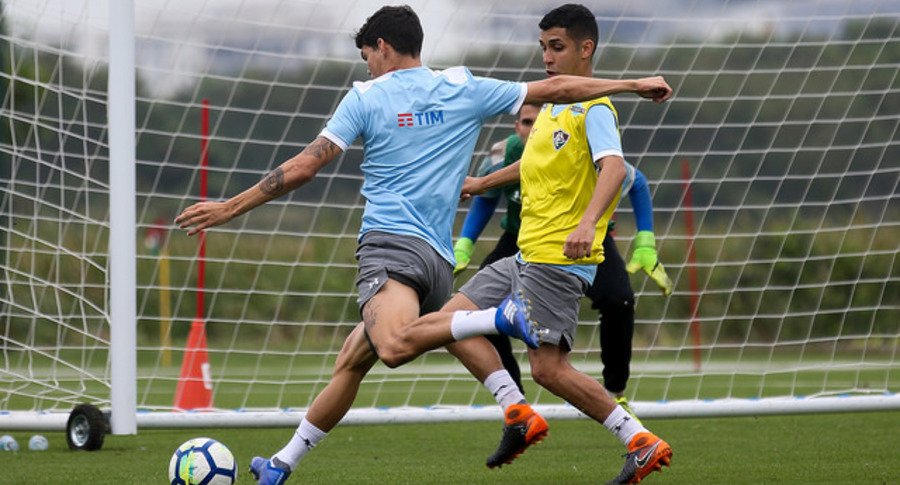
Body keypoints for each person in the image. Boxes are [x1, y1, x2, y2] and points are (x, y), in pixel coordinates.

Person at [174, 5, 672, 485]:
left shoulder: (366, 97)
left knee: (400, 347)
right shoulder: (462, 86)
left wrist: (228, 208)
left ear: (383, 47)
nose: (367, 67)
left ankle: (508, 325)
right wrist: (630, 85)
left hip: (401, 248)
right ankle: (284, 463)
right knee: (370, 351)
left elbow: (305, 166)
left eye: (367, 56)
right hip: (448, 257)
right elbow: (553, 102)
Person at [454, 4, 673, 483]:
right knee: (451, 322)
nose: (547, 58)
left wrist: (588, 222)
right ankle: (517, 412)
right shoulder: (552, 106)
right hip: (525, 253)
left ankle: (640, 441)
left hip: (557, 258)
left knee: (549, 370)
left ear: (585, 48)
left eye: (557, 47)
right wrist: (481, 182)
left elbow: (615, 167)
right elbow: (533, 164)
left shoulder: (595, 108)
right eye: (543, 48)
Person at [454, 125, 674, 416]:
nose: (531, 128)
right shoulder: (502, 155)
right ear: (516, 124)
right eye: (525, 121)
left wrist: (645, 241)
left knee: (618, 300)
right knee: (473, 311)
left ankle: (615, 393)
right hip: (522, 239)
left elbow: (634, 180)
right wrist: (465, 243)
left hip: (583, 239)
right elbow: (486, 195)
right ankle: (515, 401)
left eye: (537, 120)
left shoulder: (576, 145)